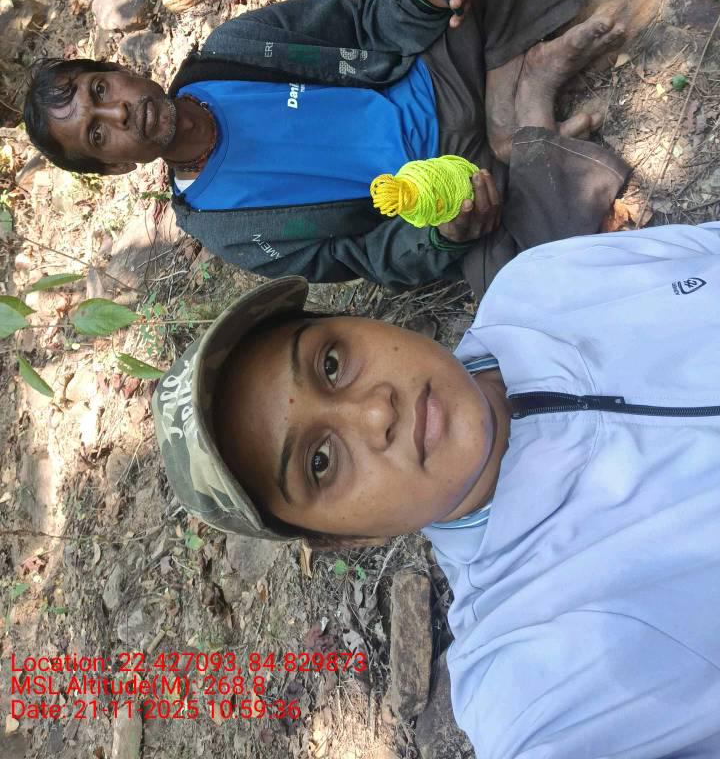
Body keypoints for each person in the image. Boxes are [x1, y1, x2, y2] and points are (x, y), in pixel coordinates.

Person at [152, 220, 720, 757]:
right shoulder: (534, 676)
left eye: (331, 364)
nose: (375, 412)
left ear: (361, 321)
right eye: (319, 462)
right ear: (345, 540)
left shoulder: (538, 286)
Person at [23, 0, 630, 296]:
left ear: (119, 69)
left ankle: (512, 99)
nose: (119, 111)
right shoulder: (226, 226)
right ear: (116, 166)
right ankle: (524, 114)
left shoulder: (233, 49)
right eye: (98, 133)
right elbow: (364, 256)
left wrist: (419, 1)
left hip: (436, 71)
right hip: (449, 188)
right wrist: (443, 234)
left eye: (100, 89)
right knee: (527, 287)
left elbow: (361, 23)